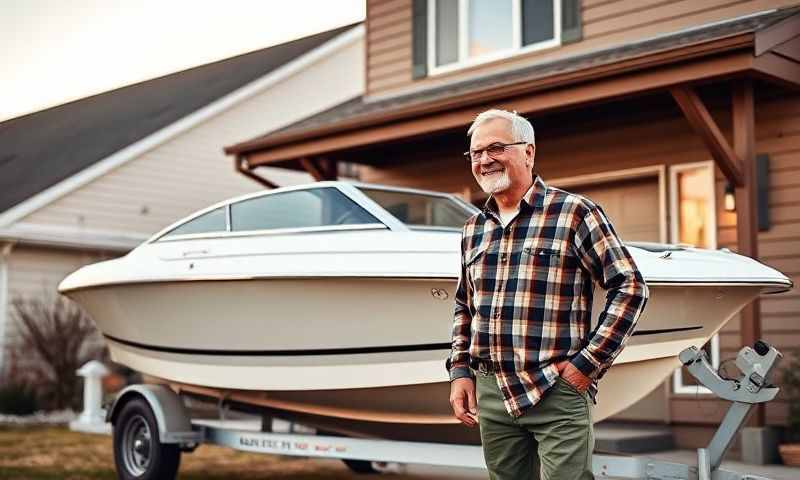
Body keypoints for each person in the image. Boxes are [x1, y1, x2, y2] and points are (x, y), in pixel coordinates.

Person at [447, 109, 649, 479]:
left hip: (557, 389)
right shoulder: (473, 229)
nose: (485, 160)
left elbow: (630, 287)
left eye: (496, 148)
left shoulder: (575, 213)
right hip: (493, 393)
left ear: (528, 152)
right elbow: (464, 305)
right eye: (476, 153)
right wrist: (460, 371)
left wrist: (585, 367)